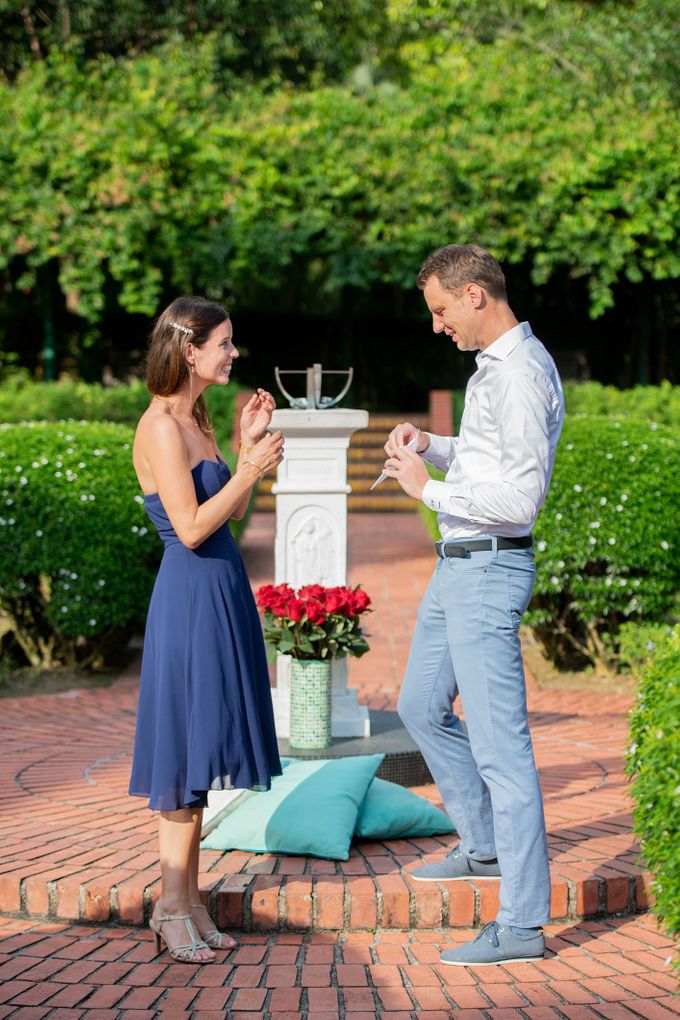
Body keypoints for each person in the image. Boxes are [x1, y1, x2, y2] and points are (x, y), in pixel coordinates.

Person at [385, 244, 564, 967]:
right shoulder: (493, 369)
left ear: (475, 296)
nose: (437, 326)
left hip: (489, 570)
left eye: (440, 310)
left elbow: (521, 499)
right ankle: (486, 846)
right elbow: (489, 462)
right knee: (419, 705)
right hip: (456, 567)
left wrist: (424, 491)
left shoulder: (520, 375)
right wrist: (432, 445)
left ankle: (522, 926)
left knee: (503, 752)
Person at [128, 295, 284, 963]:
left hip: (221, 592)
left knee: (200, 757)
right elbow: (190, 528)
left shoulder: (196, 419)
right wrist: (249, 468)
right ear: (190, 351)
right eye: (223, 343)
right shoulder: (162, 427)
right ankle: (169, 907)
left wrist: (243, 450)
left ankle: (190, 903)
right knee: (184, 759)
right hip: (190, 598)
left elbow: (226, 514)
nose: (233, 353)